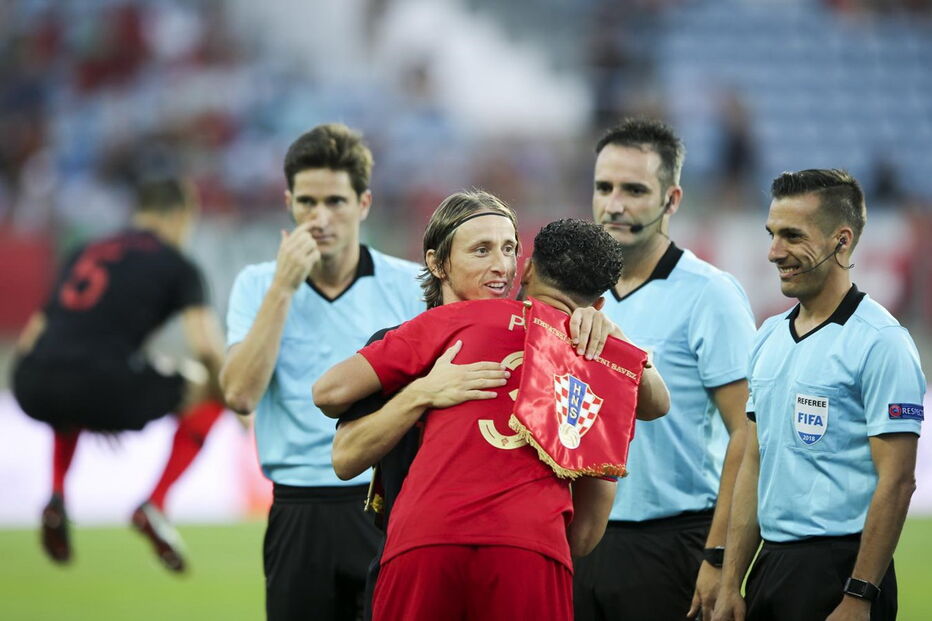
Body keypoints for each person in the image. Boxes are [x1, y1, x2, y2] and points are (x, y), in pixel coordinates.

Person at [326, 190, 660, 619]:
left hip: (470, 557)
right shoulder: (392, 348)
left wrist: (606, 328)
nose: (501, 266)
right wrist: (423, 392)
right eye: (481, 250)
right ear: (437, 262)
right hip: (415, 555)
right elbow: (345, 458)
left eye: (509, 249)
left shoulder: (567, 343)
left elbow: (597, 487)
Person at [219, 123, 424, 621]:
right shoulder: (258, 285)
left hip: (386, 500)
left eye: (335, 201)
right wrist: (283, 289)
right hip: (298, 508)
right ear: (288, 202)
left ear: (364, 205)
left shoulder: (411, 286)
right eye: (307, 202)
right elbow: (240, 395)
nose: (319, 218)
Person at [713, 169, 925, 621]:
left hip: (841, 571)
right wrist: (731, 581)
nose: (774, 252)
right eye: (771, 234)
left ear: (841, 241)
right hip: (771, 567)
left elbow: (898, 481)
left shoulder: (881, 341)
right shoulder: (768, 336)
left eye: (792, 236)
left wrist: (860, 594)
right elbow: (754, 460)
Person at [573, 118, 757, 621]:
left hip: (671, 542)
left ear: (672, 199)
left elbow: (748, 434)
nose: (614, 204)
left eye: (634, 190)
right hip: (577, 537)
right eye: (604, 187)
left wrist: (719, 558)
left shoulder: (710, 295)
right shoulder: (572, 292)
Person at [11, 177, 227, 573]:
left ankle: (57, 495)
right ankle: (155, 504)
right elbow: (208, 349)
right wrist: (240, 400)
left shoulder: (85, 250)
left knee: (68, 385)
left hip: (30, 381)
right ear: (181, 216)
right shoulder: (177, 264)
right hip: (102, 384)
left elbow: (35, 336)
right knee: (215, 389)